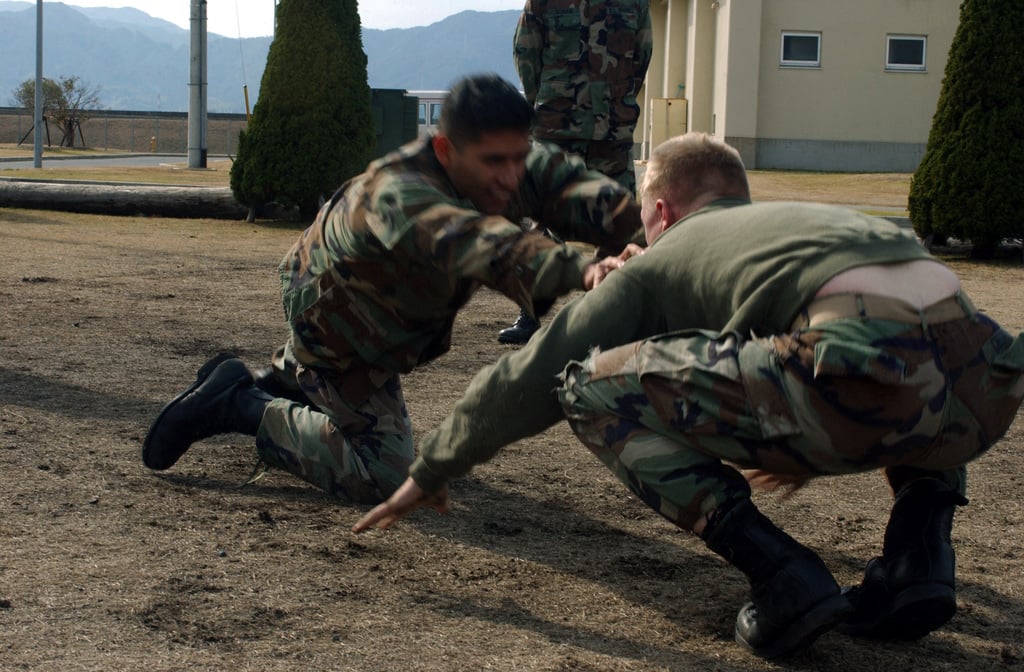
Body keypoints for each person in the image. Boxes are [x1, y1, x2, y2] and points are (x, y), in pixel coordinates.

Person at [354, 132, 1024, 658]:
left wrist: (434, 464)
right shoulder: (812, 224)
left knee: (585, 386)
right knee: (923, 343)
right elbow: (903, 341)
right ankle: (920, 557)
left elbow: (534, 370)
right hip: (985, 392)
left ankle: (784, 575)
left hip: (864, 382)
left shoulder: (668, 251)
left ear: (661, 211)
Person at [141, 73, 644, 504]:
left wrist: (649, 232)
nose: (511, 177)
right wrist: (582, 271)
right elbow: (474, 241)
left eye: (519, 157)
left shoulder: (499, 159)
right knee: (385, 474)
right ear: (447, 149)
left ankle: (278, 383)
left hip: (376, 321)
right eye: (496, 162)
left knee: (362, 385)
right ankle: (239, 406)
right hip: (335, 320)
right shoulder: (401, 193)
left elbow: (572, 186)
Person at [498, 0, 653, 345]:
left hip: (610, 131)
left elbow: (642, 54)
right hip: (558, 127)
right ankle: (530, 310)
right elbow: (526, 49)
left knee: (620, 220)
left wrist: (620, 99)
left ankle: (606, 311)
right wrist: (545, 104)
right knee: (541, 222)